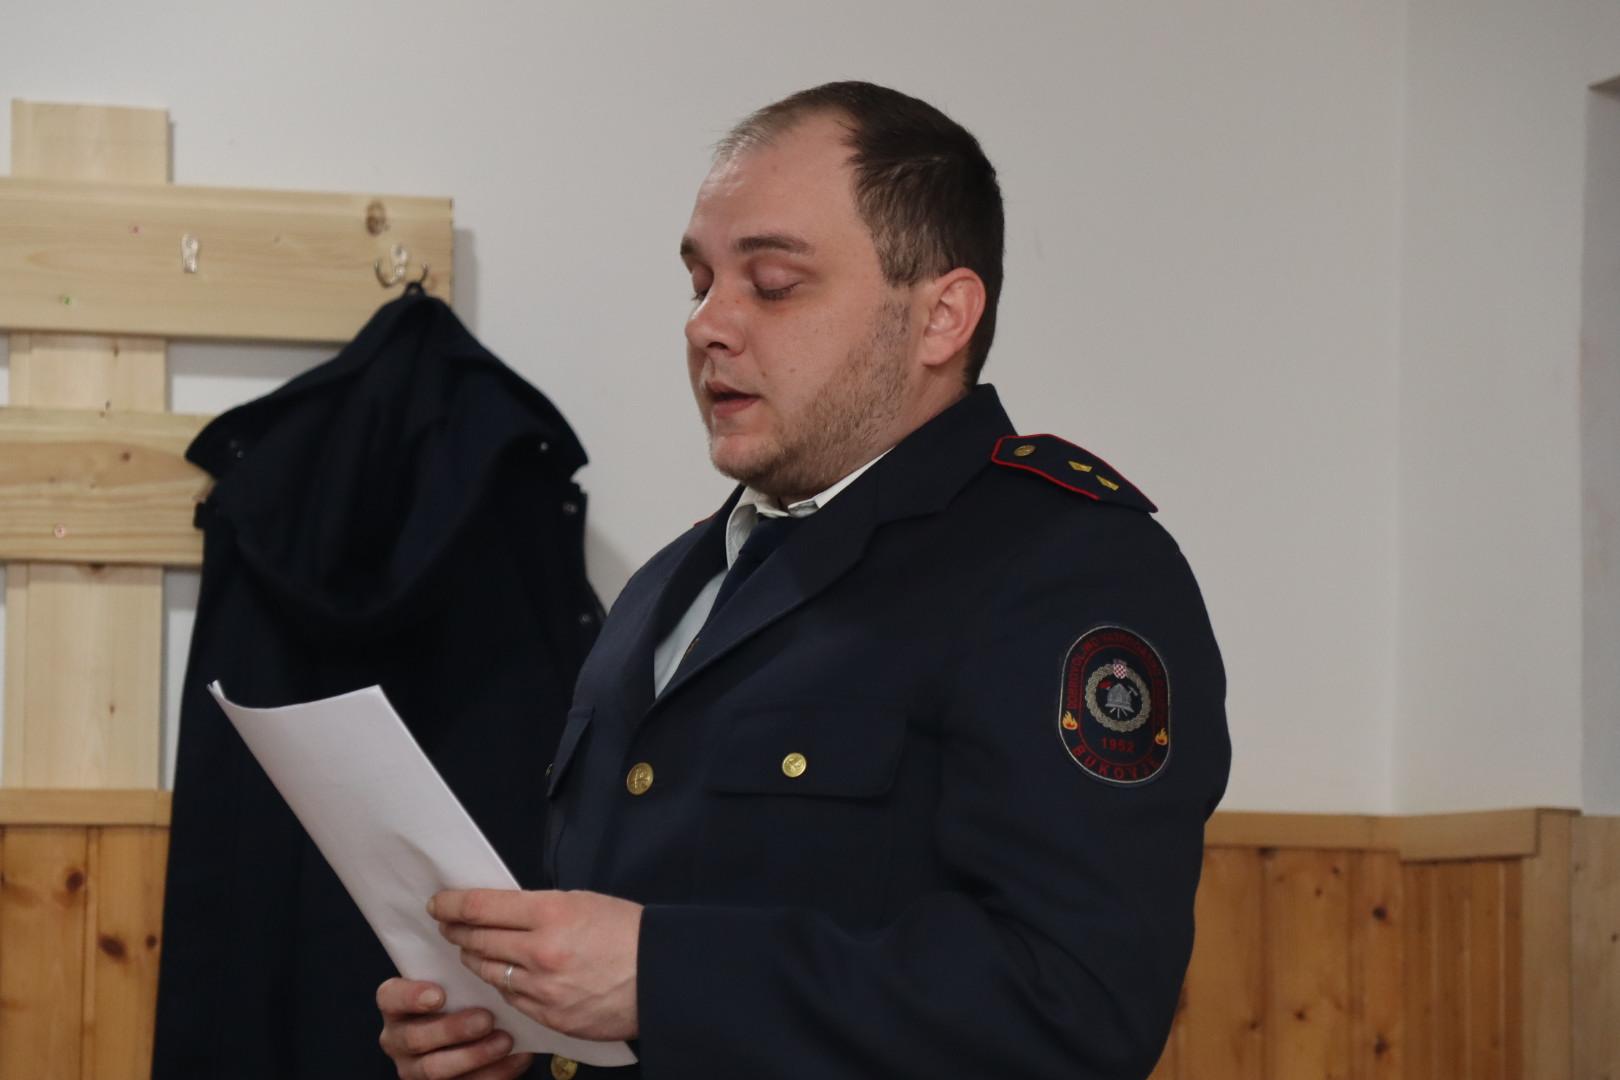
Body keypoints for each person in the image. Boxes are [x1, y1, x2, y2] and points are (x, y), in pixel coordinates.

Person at [377, 80, 1229, 1080]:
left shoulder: (1064, 566)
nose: (709, 325)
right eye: (700, 283)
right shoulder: (670, 584)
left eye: (774, 284)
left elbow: (1075, 1004)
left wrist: (665, 977)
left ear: (941, 317)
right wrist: (516, 1037)